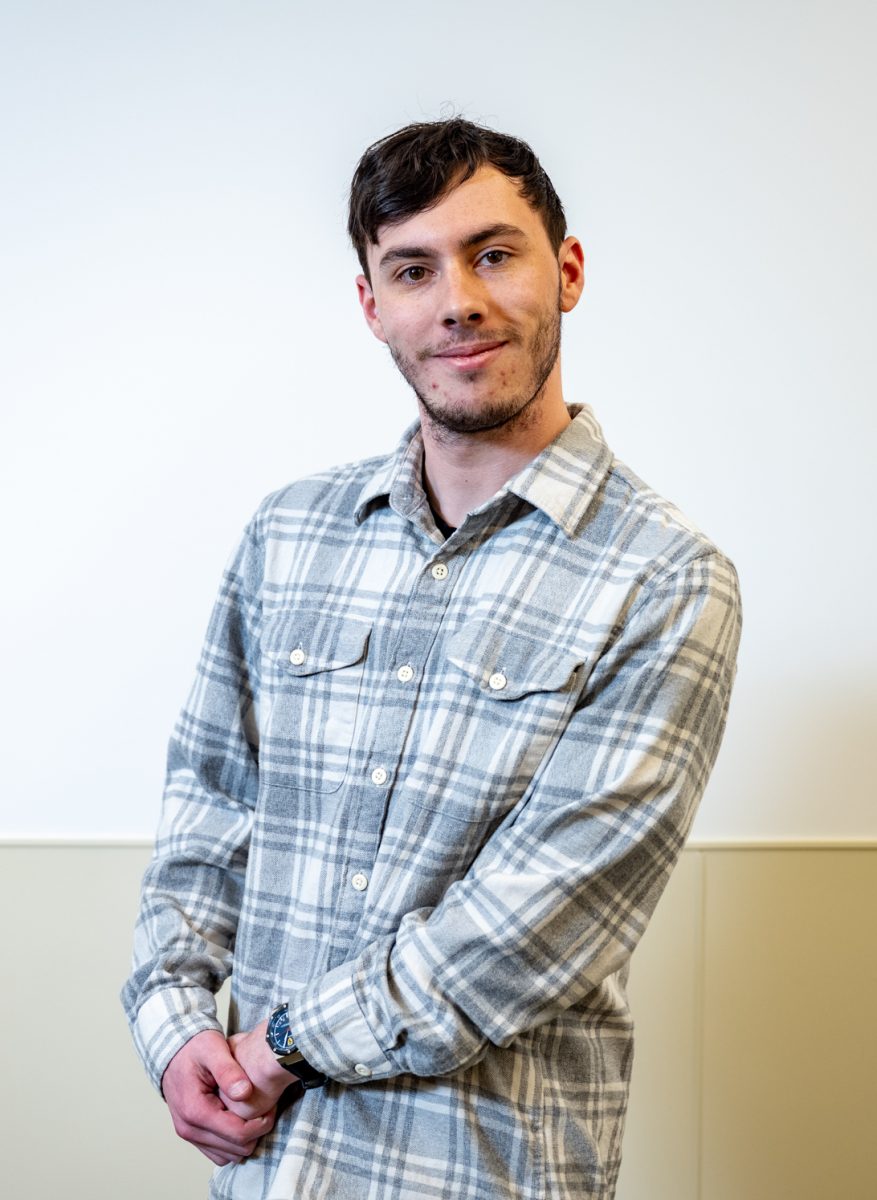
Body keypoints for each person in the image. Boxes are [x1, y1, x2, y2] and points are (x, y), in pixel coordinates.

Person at [122, 117, 741, 1200]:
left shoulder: (665, 578)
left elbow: (532, 924)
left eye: (493, 253)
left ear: (569, 270)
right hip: (266, 1174)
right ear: (371, 304)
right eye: (412, 268)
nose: (457, 299)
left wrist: (274, 1046)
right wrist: (175, 1025)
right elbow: (207, 811)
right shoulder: (291, 533)